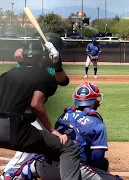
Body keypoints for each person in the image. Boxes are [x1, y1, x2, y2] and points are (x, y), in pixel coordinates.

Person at [0, 34, 81, 180]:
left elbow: (63, 81)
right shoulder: (43, 73)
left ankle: (36, 167)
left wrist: (56, 62)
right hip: (20, 119)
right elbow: (36, 103)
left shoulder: (8, 74)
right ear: (43, 56)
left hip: (21, 115)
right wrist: (42, 44)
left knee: (41, 140)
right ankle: (11, 173)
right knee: (63, 145)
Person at [9, 82, 123, 180]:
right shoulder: (96, 122)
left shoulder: (64, 115)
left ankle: (16, 174)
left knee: (32, 163)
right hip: (73, 171)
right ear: (95, 102)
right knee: (103, 166)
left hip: (46, 169)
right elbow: (97, 157)